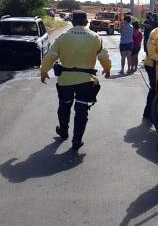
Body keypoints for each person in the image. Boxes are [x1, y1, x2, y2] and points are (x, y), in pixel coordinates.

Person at [40, 10, 111, 151]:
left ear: (72, 22)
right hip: (86, 81)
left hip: (66, 80)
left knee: (64, 106)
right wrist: (107, 68)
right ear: (86, 22)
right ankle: (77, 141)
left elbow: (51, 55)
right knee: (82, 111)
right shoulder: (95, 37)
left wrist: (44, 71)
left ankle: (63, 130)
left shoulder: (63, 37)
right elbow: (103, 56)